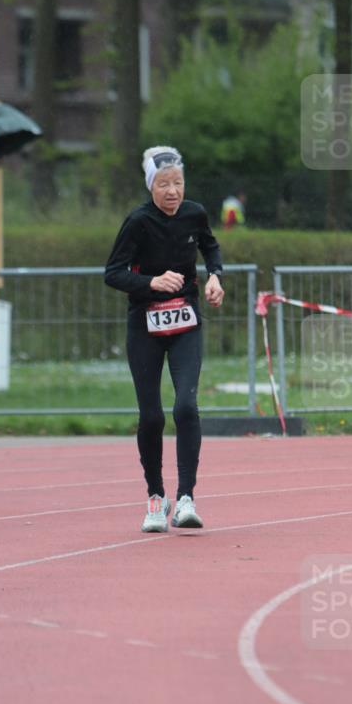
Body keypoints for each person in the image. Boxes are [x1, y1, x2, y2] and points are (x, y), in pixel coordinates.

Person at [105, 145, 225, 533]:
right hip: (145, 325)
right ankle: (156, 497)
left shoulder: (194, 213)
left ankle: (186, 497)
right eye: (163, 184)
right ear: (150, 186)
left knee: (186, 407)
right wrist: (151, 282)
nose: (172, 191)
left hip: (186, 321)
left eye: (178, 182)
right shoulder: (138, 221)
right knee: (152, 416)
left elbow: (209, 245)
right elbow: (113, 272)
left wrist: (215, 276)